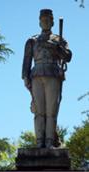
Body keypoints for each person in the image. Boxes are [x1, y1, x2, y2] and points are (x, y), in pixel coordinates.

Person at [22, 9, 72, 148]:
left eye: (48, 19)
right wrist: (25, 77)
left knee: (51, 110)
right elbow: (27, 60)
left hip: (53, 74)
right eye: (43, 20)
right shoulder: (32, 40)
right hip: (36, 75)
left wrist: (59, 49)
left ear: (53, 22)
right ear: (39, 22)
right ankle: (39, 142)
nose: (45, 22)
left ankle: (50, 141)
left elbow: (67, 57)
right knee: (39, 111)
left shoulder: (59, 40)